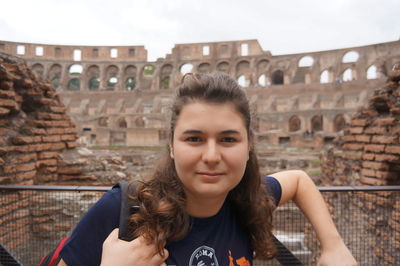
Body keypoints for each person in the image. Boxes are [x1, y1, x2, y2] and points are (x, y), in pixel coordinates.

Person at [59, 73, 357, 266]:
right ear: (172, 145)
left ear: (249, 144)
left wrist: (334, 247)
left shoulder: (245, 200)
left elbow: (299, 181)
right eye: (194, 138)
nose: (212, 156)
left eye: (228, 139)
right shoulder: (122, 211)